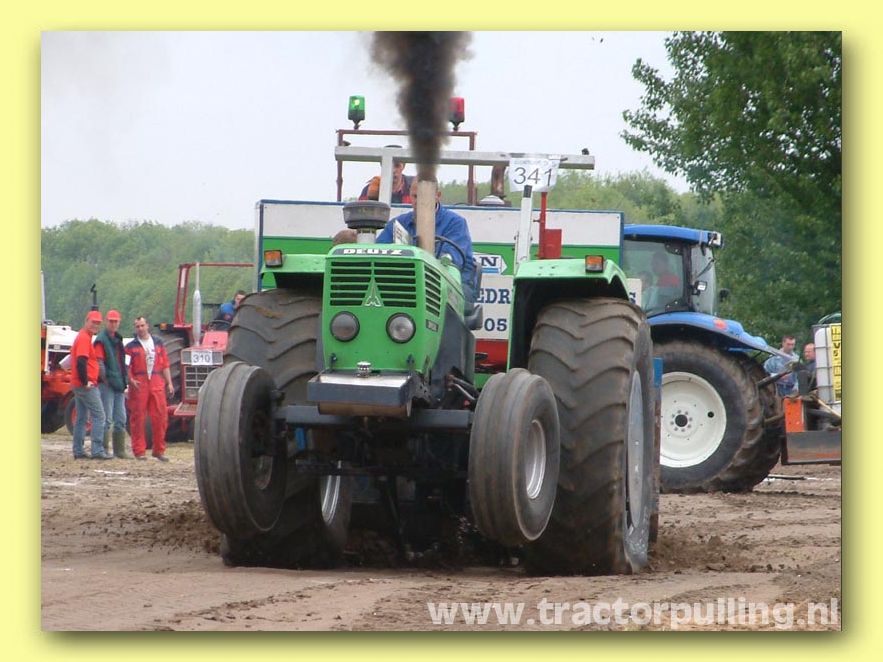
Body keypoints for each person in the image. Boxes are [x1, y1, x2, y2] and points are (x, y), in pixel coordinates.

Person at [376, 178, 477, 308]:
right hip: (409, 284)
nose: (419, 202)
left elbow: (451, 262)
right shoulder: (397, 225)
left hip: (453, 285)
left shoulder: (456, 223)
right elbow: (378, 252)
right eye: (415, 196)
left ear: (437, 196)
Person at [125, 316, 175, 462]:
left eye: (142, 325)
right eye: (137, 326)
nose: (140, 329)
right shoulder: (130, 347)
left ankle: (159, 450)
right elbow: (126, 366)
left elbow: (165, 364)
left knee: (160, 417)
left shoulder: (158, 343)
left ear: (147, 326)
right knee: (138, 418)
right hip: (139, 383)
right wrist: (131, 380)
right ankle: (139, 451)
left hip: (156, 380)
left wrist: (169, 383)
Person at [69, 310, 108, 459]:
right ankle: (97, 450)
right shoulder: (84, 338)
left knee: (81, 418)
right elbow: (81, 361)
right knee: (99, 416)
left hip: (78, 383)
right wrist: (86, 382)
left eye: (98, 323)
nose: (95, 325)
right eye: (93, 322)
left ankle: (78, 451)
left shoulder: (83, 336)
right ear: (86, 321)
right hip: (85, 385)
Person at [94, 309, 132, 459]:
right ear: (106, 322)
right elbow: (99, 363)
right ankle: (103, 449)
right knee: (107, 418)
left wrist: (124, 380)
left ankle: (119, 451)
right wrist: (106, 380)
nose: (113, 324)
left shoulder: (117, 339)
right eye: (111, 321)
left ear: (119, 322)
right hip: (107, 384)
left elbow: (122, 363)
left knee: (121, 418)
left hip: (119, 384)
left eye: (116, 321)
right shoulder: (101, 340)